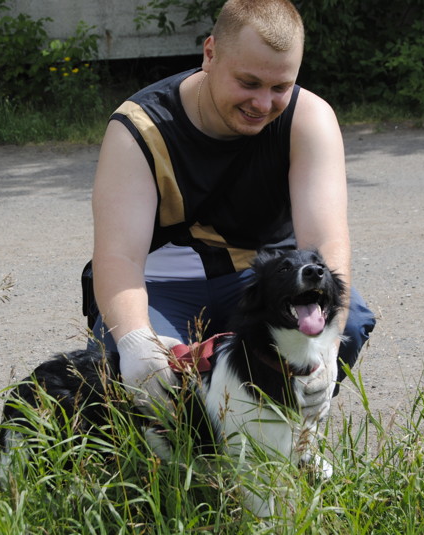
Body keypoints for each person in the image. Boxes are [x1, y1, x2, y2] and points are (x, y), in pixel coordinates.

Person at [89, 0, 375, 422]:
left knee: (345, 324)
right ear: (209, 54)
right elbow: (118, 258)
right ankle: (177, 467)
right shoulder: (138, 129)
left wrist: (329, 347)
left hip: (259, 277)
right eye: (249, 82)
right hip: (162, 282)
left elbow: (325, 242)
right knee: (144, 371)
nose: (263, 103)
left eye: (280, 87)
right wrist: (136, 345)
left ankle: (282, 445)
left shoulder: (309, 118)